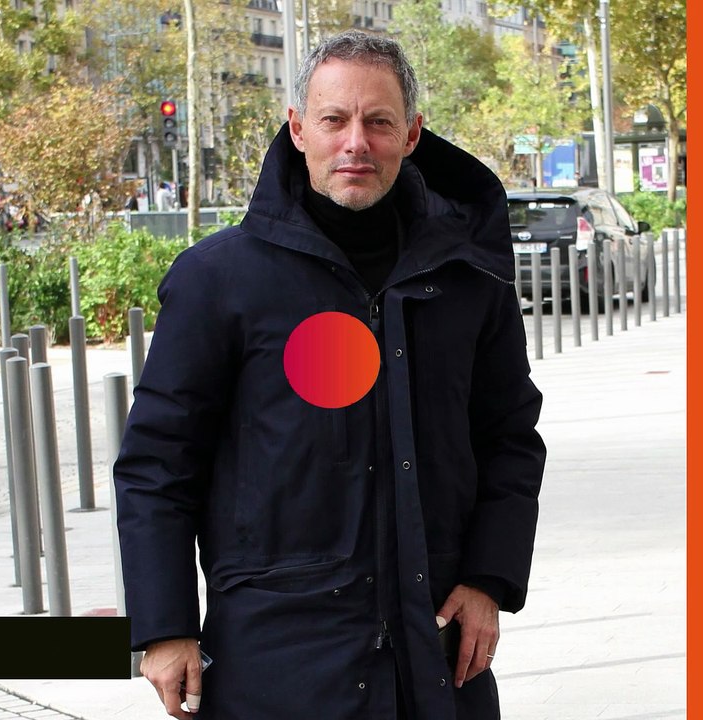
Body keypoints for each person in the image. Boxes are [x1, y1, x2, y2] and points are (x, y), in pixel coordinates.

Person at [115, 30, 546, 720]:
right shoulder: (217, 281)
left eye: (378, 122)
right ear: (297, 129)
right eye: (334, 120)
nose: (356, 142)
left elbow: (509, 439)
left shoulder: (467, 281)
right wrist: (166, 627)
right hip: (276, 660)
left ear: (411, 134)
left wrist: (487, 579)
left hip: (433, 652)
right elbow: (157, 465)